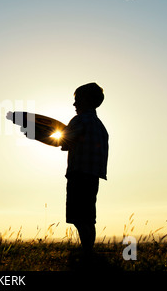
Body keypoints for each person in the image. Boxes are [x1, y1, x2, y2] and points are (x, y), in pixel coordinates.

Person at [57, 82, 109, 256]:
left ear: (86, 100)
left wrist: (38, 134)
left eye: (77, 100)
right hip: (93, 176)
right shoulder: (101, 126)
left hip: (78, 174)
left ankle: (86, 251)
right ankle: (89, 250)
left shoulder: (80, 120)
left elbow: (64, 143)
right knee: (88, 216)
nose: (74, 104)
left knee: (78, 216)